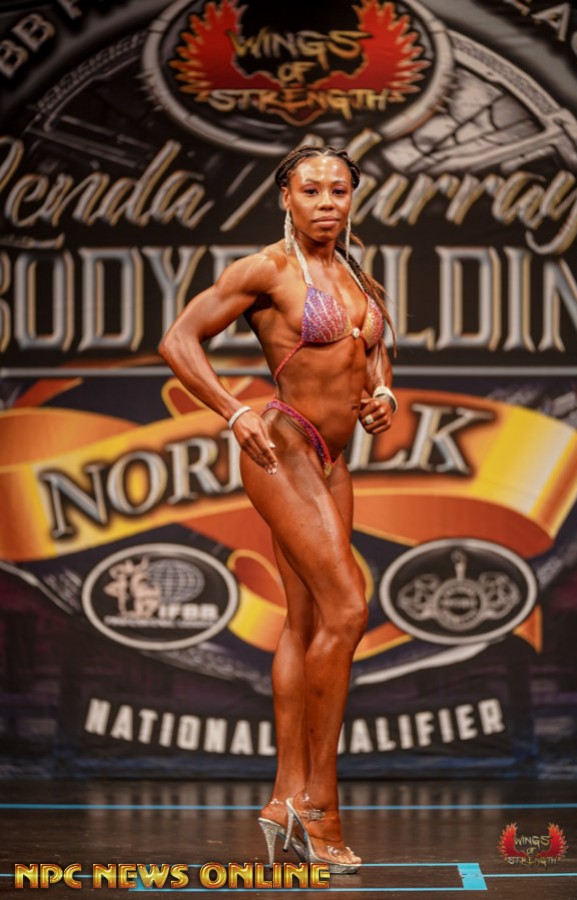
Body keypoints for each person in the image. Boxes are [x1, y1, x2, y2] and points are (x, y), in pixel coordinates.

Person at [159, 145, 397, 874]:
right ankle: (320, 805)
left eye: (339, 190)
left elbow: (371, 353)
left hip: (333, 460)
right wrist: (233, 411)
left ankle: (282, 799)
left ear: (352, 197)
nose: (327, 202)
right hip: (283, 447)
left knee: (307, 623)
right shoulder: (265, 270)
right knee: (348, 609)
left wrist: (382, 394)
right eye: (312, 190)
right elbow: (178, 340)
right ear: (285, 198)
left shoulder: (357, 273)